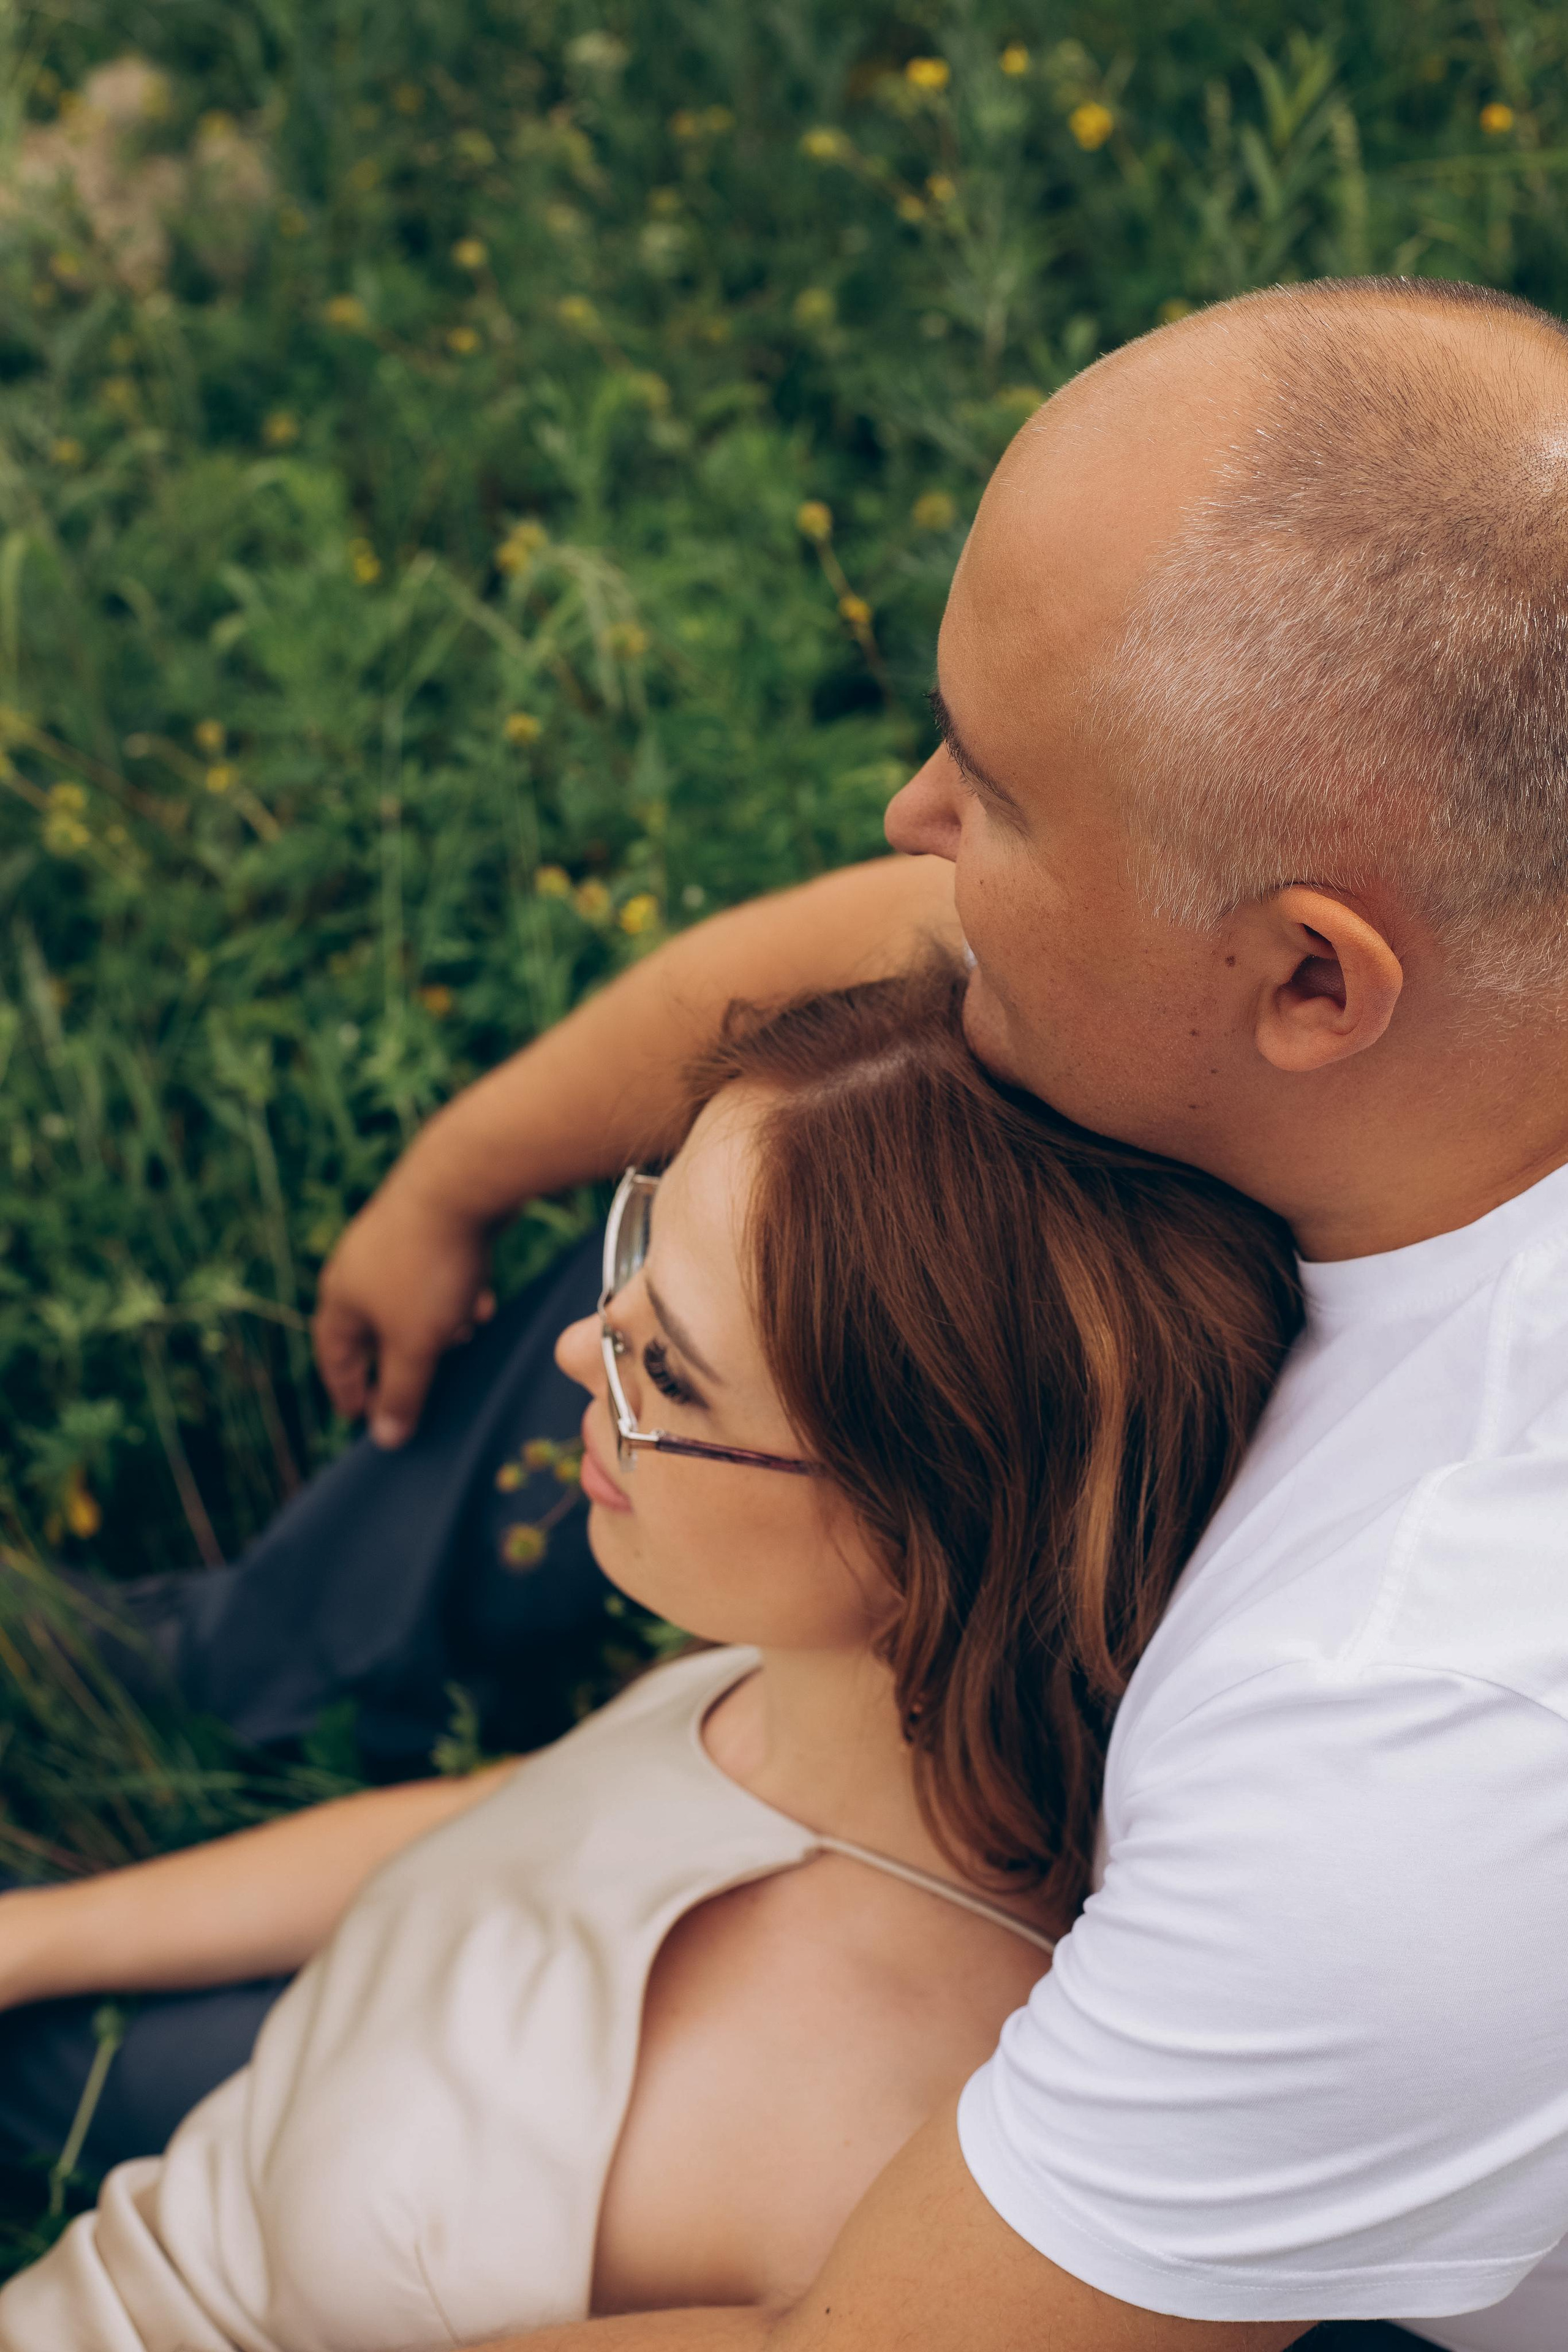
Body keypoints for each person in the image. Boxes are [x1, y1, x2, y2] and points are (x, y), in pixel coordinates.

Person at [298, 274, 1568, 2352]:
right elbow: (894, 932)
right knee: (785, 1185)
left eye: (998, 785)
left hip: (1284, 2255)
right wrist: (459, 1175)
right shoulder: (1464, 955)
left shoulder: (1412, 1736)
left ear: (1317, 985)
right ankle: (291, 1659)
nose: (910, 808)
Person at [0, 965, 1299, 2350]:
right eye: (637, 1250)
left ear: (921, 1533)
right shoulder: (802, 1696)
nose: (576, 1346)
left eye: (667, 1373)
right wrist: (31, 1939)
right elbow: (508, 1827)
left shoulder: (864, 2161)